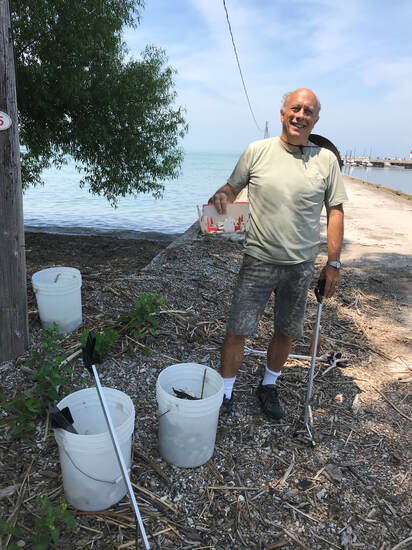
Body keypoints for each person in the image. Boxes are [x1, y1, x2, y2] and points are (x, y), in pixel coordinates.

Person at [208, 88, 348, 420]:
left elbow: (336, 211)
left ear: (315, 119)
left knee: (287, 331)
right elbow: (231, 188)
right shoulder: (256, 151)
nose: (301, 115)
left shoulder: (326, 160)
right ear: (283, 113)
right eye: (295, 108)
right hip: (257, 258)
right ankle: (226, 392)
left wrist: (333, 263)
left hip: (299, 266)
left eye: (308, 111)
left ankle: (268, 385)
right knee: (237, 329)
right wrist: (222, 196)